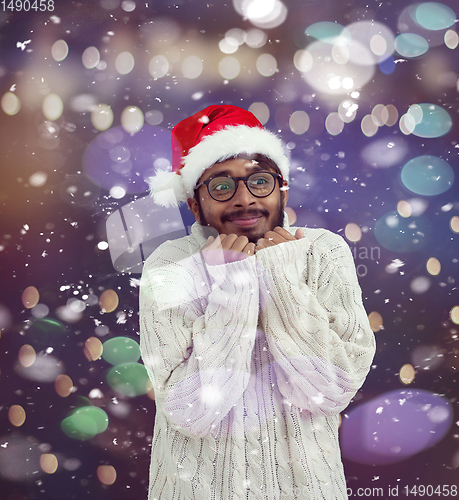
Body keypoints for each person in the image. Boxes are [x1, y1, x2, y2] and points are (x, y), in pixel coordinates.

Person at [139, 104, 376, 500]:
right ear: (195, 204)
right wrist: (234, 285)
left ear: (282, 188)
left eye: (259, 181)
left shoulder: (323, 251)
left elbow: (331, 390)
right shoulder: (169, 266)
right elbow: (193, 412)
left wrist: (279, 276)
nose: (244, 199)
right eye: (220, 186)